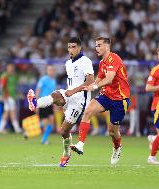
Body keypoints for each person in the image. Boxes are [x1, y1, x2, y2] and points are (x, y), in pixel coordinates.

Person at [27, 37, 94, 167]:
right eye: (69, 47)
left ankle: (66, 153)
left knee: (64, 131)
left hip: (80, 101)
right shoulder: (68, 63)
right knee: (56, 95)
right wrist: (68, 93)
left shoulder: (85, 61)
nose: (71, 50)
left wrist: (73, 91)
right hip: (69, 94)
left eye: (73, 47)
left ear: (79, 47)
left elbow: (90, 81)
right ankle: (35, 103)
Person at [70, 37, 130, 165]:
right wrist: (91, 85)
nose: (96, 48)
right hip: (106, 95)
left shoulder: (114, 59)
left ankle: (117, 147)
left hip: (120, 99)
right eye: (96, 45)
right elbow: (100, 78)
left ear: (107, 46)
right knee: (88, 111)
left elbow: (109, 79)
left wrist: (96, 86)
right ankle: (80, 144)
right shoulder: (103, 62)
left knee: (112, 131)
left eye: (99, 45)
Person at [0, 63, 22, 134]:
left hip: (13, 96)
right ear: (7, 68)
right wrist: (1, 95)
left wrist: (18, 94)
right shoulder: (5, 76)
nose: (11, 69)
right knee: (12, 111)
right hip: (7, 96)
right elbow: (1, 86)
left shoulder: (14, 76)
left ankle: (0, 129)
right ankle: (17, 129)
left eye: (12, 67)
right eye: (9, 67)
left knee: (7, 112)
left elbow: (15, 86)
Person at [35, 64, 56, 144]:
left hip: (50, 103)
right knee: (45, 122)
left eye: (52, 70)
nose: (51, 71)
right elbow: (38, 90)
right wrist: (36, 103)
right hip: (43, 102)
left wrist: (54, 104)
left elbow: (53, 94)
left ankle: (43, 138)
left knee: (51, 122)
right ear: (47, 71)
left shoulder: (53, 81)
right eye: (50, 70)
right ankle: (43, 139)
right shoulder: (43, 79)